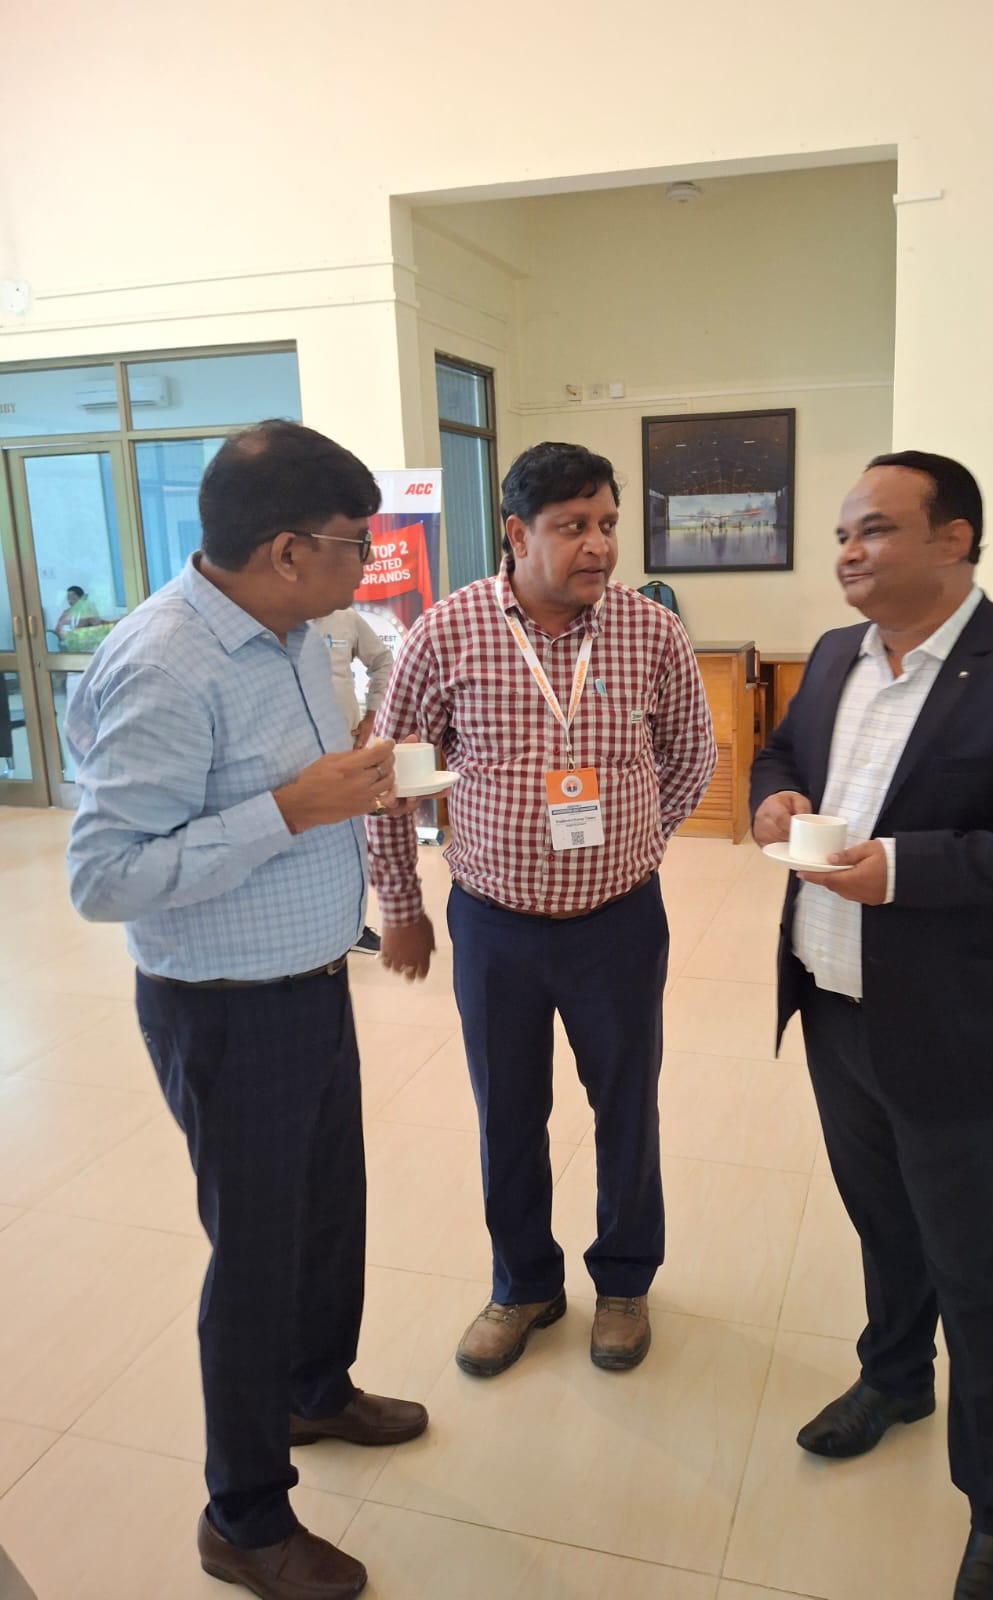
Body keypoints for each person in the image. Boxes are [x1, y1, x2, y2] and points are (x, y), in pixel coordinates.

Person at [750, 451, 993, 1600]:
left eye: (873, 529)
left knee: (974, 1264)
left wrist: (907, 870)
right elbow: (786, 752)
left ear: (954, 538)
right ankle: (895, 1377)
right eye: (841, 533)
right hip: (832, 998)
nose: (848, 551)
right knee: (883, 1222)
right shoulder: (836, 654)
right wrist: (775, 795)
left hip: (954, 1019)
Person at [65, 420, 429, 1600]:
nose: (367, 561)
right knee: (258, 1256)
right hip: (226, 1011)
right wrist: (290, 809)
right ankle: (243, 1516)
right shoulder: (166, 664)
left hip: (312, 980)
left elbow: (300, 787)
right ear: (286, 550)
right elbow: (103, 876)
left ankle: (314, 1389)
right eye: (355, 541)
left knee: (329, 1219)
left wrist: (350, 787)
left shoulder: (298, 634)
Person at [369, 440, 717, 1377]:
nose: (599, 544)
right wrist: (400, 902)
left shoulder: (650, 631)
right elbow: (390, 778)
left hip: (619, 923)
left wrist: (638, 842)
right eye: (573, 527)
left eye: (607, 524)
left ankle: (625, 1282)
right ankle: (523, 1283)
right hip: (496, 926)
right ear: (517, 535)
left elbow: (692, 755)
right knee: (508, 1112)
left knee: (626, 1105)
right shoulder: (445, 632)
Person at [312, 605, 395, 954]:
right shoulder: (272, 616)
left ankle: (353, 927)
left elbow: (383, 661)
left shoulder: (344, 617)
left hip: (343, 749)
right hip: (291, 756)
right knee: (306, 848)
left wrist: (372, 714)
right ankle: (317, 930)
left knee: (348, 843)